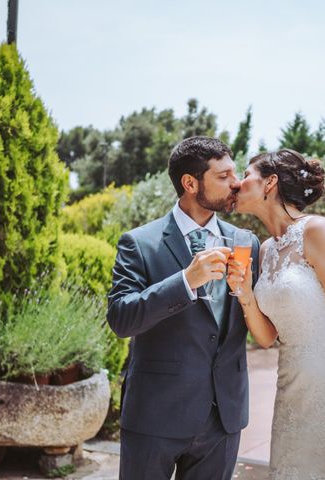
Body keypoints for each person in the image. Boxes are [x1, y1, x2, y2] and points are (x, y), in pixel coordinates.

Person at [107, 136, 260, 480]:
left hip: (223, 417)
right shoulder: (140, 243)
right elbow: (120, 318)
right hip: (155, 416)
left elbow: (258, 321)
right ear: (190, 183)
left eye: (234, 173)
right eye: (223, 176)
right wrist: (185, 281)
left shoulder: (246, 242)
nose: (235, 183)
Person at [226, 149, 325, 479]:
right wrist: (245, 296)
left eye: (245, 174)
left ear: (270, 182)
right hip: (293, 387)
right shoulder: (266, 250)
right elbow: (267, 338)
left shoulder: (317, 231)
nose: (237, 183)